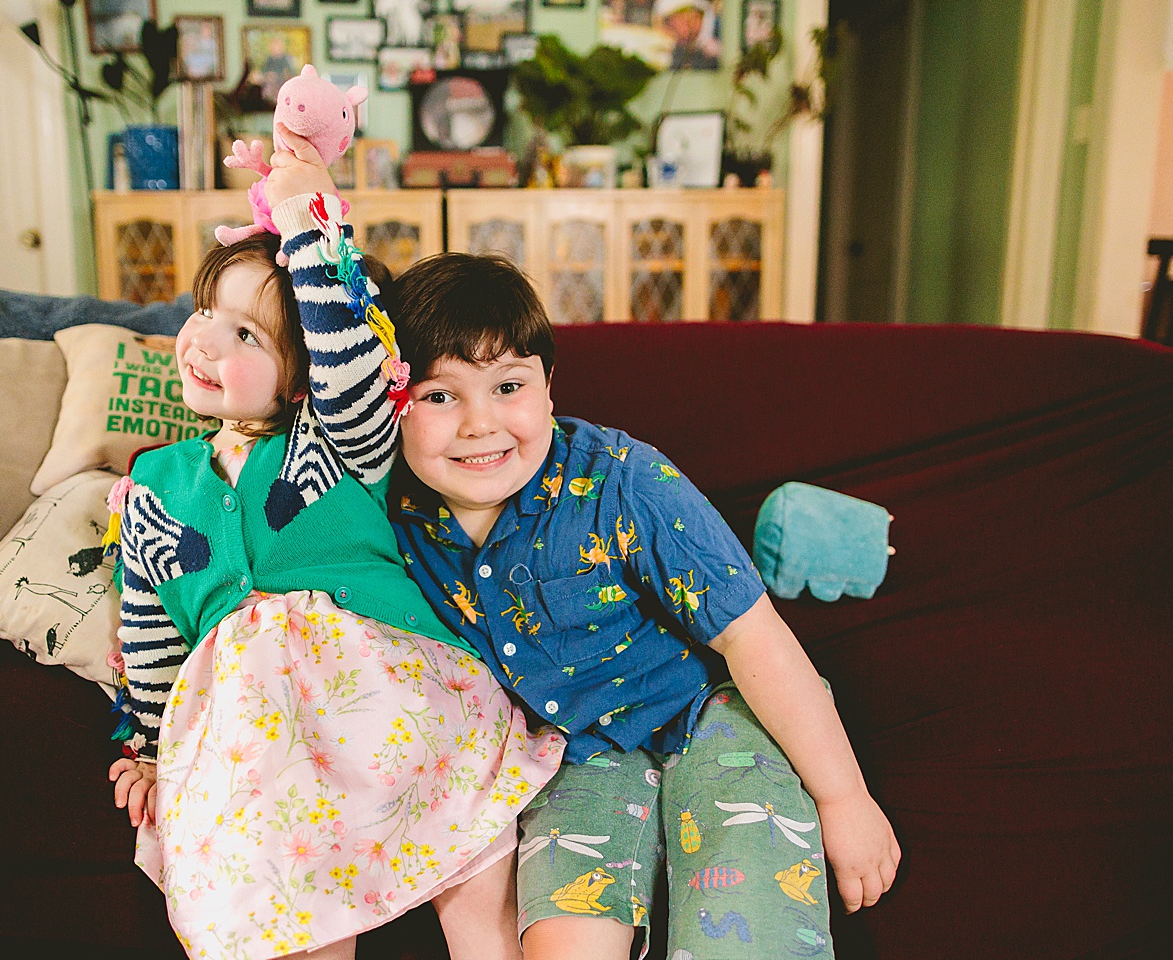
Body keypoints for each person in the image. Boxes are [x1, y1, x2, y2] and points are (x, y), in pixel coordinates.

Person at [105, 133, 563, 960]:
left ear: (304, 373)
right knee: (277, 895)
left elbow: (345, 350)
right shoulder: (155, 484)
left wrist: (304, 217)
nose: (206, 340)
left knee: (478, 894)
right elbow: (149, 633)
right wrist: (139, 742)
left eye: (249, 336)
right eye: (207, 314)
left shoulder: (340, 439)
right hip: (258, 742)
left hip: (397, 704)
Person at [388, 254, 900, 959]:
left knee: (747, 926)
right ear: (389, 406)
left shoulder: (622, 480)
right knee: (562, 945)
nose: (481, 424)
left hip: (712, 712)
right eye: (438, 396)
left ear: (547, 388)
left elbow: (753, 637)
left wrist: (845, 800)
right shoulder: (392, 519)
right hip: (575, 757)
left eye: (508, 386)